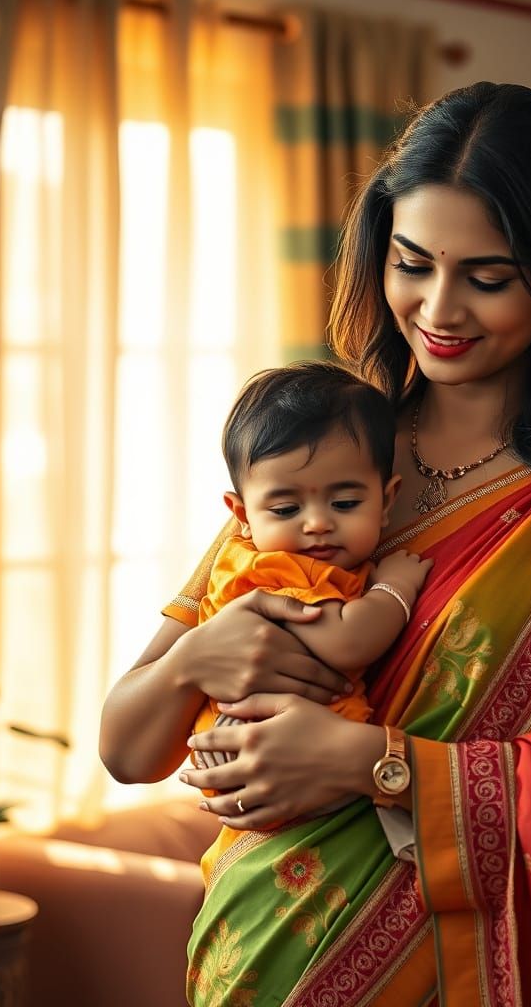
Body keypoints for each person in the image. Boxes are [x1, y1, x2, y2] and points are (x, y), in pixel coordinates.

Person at [100, 81, 531, 1005]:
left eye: (488, 277)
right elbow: (126, 745)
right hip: (252, 955)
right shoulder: (324, 463)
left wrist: (371, 762)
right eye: (411, 264)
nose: (439, 309)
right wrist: (200, 651)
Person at [185, 361, 432, 857]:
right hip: (248, 738)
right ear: (242, 516)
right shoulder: (272, 568)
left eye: (344, 504)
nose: (317, 524)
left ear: (387, 502)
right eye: (285, 510)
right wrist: (397, 589)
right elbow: (347, 642)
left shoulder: (320, 562)